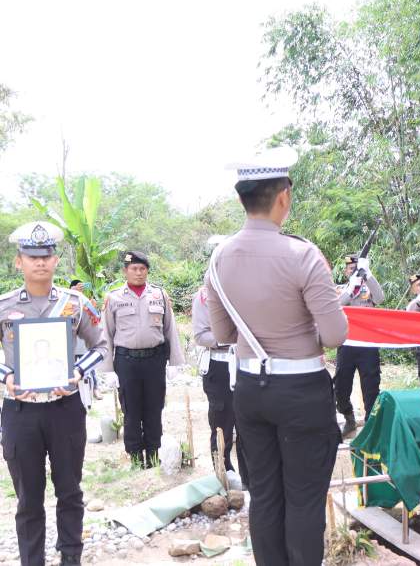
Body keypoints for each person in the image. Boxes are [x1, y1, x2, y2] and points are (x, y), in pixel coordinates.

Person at [206, 146, 348, 566]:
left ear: (241, 199)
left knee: (265, 495)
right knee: (303, 499)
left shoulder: (219, 258)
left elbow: (222, 334)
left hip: (250, 389)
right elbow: (335, 335)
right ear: (284, 196)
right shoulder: (303, 255)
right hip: (302, 391)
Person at [1, 222, 108, 566]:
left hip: (65, 408)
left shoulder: (75, 303)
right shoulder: (4, 306)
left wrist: (77, 372)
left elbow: (101, 345)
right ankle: (32, 560)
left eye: (46, 256)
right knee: (29, 499)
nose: (40, 262)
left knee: (70, 491)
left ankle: (71, 557)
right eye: (32, 257)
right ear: (19, 261)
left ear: (55, 260)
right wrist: (6, 376)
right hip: (20, 412)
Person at [102, 251, 184, 469]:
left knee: (154, 408)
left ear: (147, 271)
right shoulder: (114, 298)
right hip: (126, 361)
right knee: (131, 411)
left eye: (142, 269)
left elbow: (170, 329)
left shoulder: (159, 295)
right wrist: (107, 369)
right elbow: (106, 334)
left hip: (154, 360)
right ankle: (137, 458)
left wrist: (175, 362)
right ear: (125, 271)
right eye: (134, 269)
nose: (138, 273)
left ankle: (154, 455)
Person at [192, 235, 248, 486]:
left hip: (246, 364)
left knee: (248, 420)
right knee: (221, 420)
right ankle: (222, 469)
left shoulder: (248, 289)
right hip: (219, 364)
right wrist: (229, 338)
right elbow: (200, 335)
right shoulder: (204, 296)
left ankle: (249, 474)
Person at [334, 252, 385, 435]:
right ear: (346, 271)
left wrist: (367, 275)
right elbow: (336, 305)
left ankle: (370, 428)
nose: (353, 270)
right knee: (341, 387)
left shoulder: (369, 286)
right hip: (347, 343)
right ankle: (349, 418)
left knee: (371, 388)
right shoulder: (341, 289)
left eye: (356, 268)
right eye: (350, 268)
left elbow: (380, 298)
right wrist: (351, 290)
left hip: (367, 345)